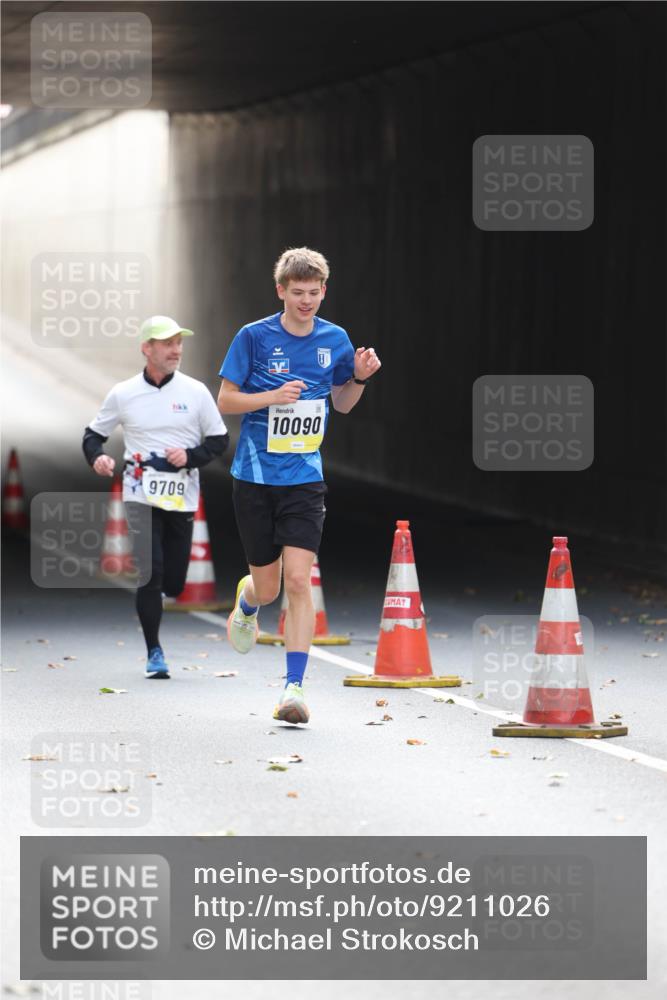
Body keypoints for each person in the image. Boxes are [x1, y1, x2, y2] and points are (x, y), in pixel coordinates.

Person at [218, 247, 381, 725]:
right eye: (297, 293)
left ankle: (294, 689)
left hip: (305, 479)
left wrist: (359, 378)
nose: (306, 301)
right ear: (281, 291)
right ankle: (247, 600)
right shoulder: (253, 336)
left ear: (324, 291)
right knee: (268, 589)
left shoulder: (335, 338)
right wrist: (272, 396)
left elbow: (343, 403)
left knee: (297, 581)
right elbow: (225, 400)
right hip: (254, 477)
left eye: (314, 292)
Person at [82, 315, 229, 678]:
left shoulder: (196, 392)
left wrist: (190, 456)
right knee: (151, 572)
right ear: (147, 349)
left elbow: (219, 440)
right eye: (167, 344)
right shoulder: (124, 392)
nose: (176, 350)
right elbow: (93, 435)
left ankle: (163, 599)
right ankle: (154, 652)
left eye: (179, 343)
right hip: (139, 494)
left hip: (181, 497)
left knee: (174, 582)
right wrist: (98, 457)